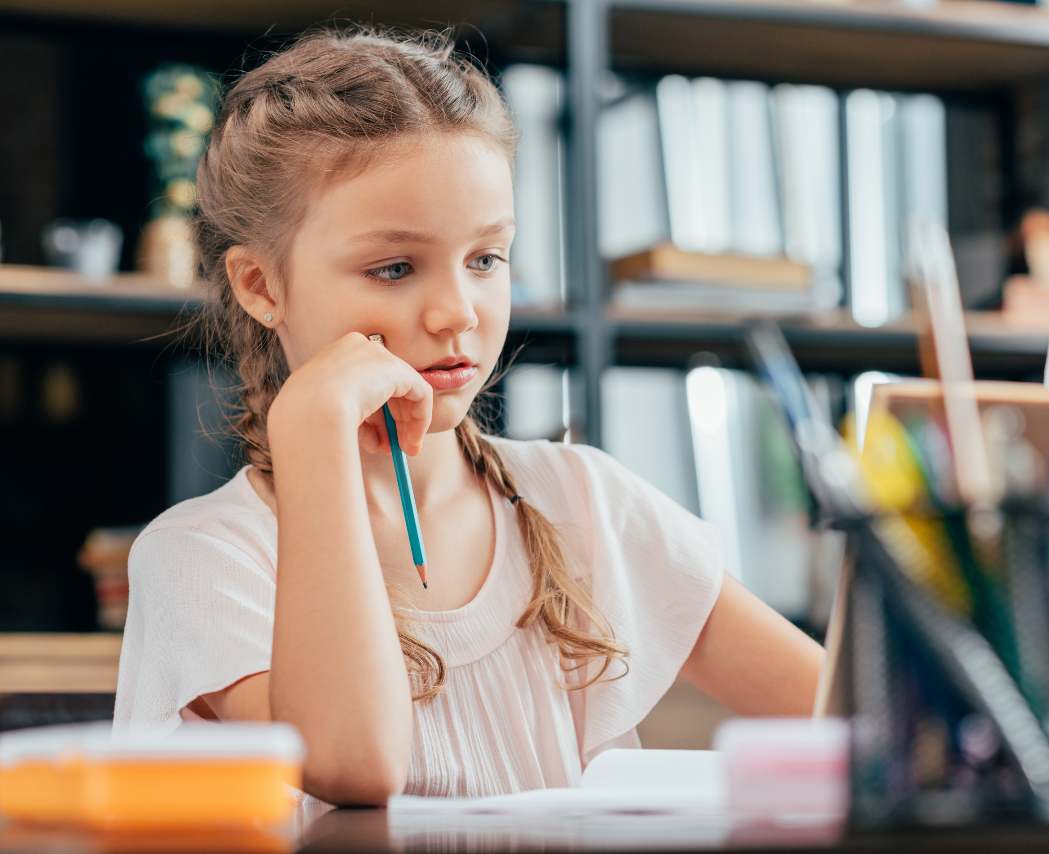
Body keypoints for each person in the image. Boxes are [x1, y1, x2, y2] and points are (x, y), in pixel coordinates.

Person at [111, 25, 824, 807]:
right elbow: (355, 765)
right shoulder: (201, 560)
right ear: (260, 285)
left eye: (486, 259)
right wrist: (312, 432)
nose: (457, 313)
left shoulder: (583, 502)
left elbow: (846, 712)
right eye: (394, 267)